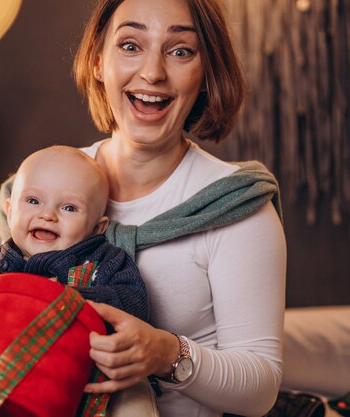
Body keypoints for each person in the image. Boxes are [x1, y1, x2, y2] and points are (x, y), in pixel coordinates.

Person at [56, 0, 285, 416]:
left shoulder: (236, 205)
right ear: (97, 62)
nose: (153, 72)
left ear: (206, 74)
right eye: (130, 45)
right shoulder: (44, 185)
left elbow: (260, 388)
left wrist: (166, 354)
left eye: (181, 51)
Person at [0, 145, 150, 348]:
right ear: (10, 212)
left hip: (70, 373)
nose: (47, 215)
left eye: (69, 207)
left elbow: (133, 304)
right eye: (33, 201)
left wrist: (71, 300)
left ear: (97, 227)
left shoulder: (103, 262)